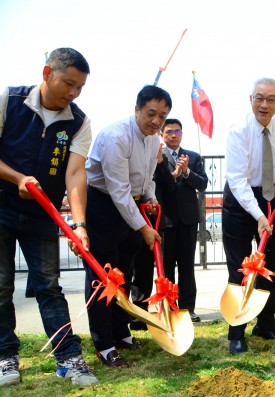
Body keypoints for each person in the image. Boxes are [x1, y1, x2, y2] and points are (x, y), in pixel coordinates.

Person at [0, 48, 98, 387]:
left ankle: (69, 358)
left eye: (80, 87)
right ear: (46, 73)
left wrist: (80, 225)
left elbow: (74, 176)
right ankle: (5, 357)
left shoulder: (79, 122)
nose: (72, 93)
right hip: (2, 206)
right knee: (0, 285)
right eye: (68, 83)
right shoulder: (8, 100)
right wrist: (17, 179)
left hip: (43, 213)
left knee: (49, 286)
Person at [84, 85, 169, 367]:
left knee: (125, 272)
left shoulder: (153, 139)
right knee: (103, 276)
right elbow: (118, 190)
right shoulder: (115, 137)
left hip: (132, 206)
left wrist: (151, 198)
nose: (156, 121)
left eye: (162, 116)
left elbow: (148, 179)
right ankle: (104, 343)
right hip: (103, 205)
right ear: (136, 109)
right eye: (151, 113)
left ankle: (121, 332)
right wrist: (143, 228)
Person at [223, 77, 275, 354]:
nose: (264, 105)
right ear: (250, 99)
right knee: (240, 268)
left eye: (270, 99)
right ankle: (236, 333)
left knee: (271, 267)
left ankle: (266, 324)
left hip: (271, 201)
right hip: (240, 203)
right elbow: (238, 180)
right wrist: (257, 215)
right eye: (259, 98)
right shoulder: (239, 131)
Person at [158, 119, 208, 323]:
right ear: (161, 134)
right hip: (166, 220)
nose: (173, 135)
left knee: (187, 266)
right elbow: (156, 184)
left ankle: (188, 309)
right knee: (166, 266)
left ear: (182, 133)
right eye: (168, 131)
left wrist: (187, 172)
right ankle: (169, 308)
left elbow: (203, 183)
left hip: (188, 220)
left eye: (176, 131)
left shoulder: (193, 157)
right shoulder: (157, 157)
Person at [129, 142, 176, 331]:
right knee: (133, 268)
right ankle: (135, 314)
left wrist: (160, 162)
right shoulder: (133, 156)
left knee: (152, 269)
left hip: (154, 221)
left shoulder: (158, 162)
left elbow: (170, 187)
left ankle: (155, 311)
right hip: (132, 219)